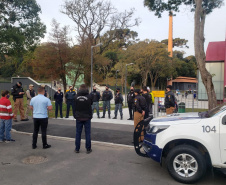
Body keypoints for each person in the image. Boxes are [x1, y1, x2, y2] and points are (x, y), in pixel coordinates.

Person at [74, 84, 93, 154]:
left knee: (78, 133)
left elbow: (75, 106)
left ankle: (77, 148)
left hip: (78, 117)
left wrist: (75, 115)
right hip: (87, 117)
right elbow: (91, 103)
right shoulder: (89, 96)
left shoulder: (76, 96)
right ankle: (88, 149)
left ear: (80, 88)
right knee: (87, 134)